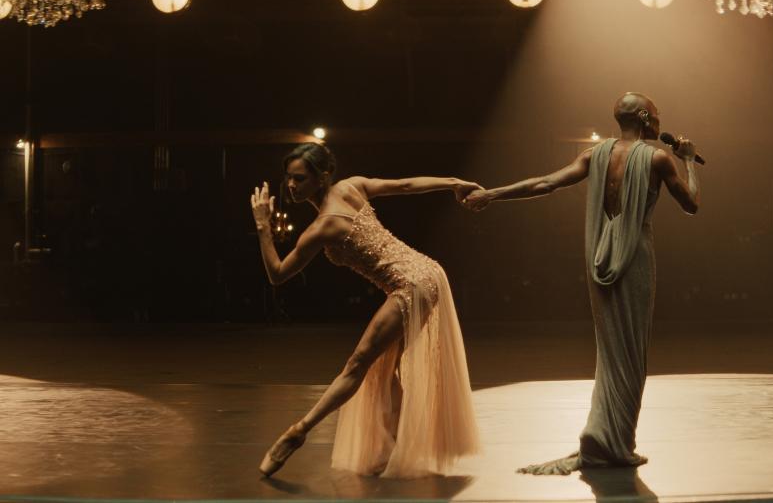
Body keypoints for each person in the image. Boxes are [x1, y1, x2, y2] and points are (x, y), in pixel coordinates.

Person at [464, 92, 701, 475]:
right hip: (635, 256)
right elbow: (691, 204)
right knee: (631, 351)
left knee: (611, 349)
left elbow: (546, 183)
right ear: (644, 117)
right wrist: (689, 161)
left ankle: (606, 439)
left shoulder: (596, 156)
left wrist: (493, 194)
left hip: (601, 254)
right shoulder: (659, 158)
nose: (660, 120)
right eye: (656, 114)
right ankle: (615, 443)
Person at [251, 142, 481, 478]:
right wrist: (453, 182)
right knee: (383, 369)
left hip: (412, 284)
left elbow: (277, 274)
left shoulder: (325, 225)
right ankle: (394, 447)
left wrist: (262, 227)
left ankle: (297, 431)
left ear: (322, 177)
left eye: (299, 179)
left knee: (358, 364)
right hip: (428, 273)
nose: (291, 186)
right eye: (288, 179)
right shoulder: (351, 188)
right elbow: (403, 186)